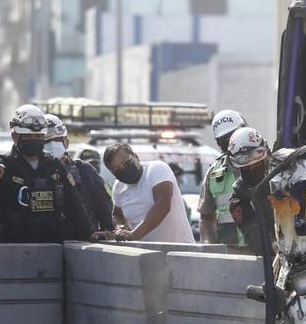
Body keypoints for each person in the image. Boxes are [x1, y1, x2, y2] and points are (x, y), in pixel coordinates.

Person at [0, 104, 94, 243]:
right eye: (29, 136)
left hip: (51, 248)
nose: (34, 139)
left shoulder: (54, 165)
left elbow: (74, 203)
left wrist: (89, 233)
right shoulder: (2, 167)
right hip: (12, 250)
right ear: (15, 136)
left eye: (38, 136)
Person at [106, 143, 194, 243]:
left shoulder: (156, 169)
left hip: (180, 249)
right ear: (112, 173)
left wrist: (135, 234)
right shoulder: (118, 187)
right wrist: (122, 227)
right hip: (146, 254)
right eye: (117, 169)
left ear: (135, 156)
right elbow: (117, 214)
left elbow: (162, 205)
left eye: (126, 162)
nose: (123, 168)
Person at [43, 114, 115, 233]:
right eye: (47, 141)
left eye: (56, 139)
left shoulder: (85, 171)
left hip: (83, 242)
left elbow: (105, 208)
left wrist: (107, 233)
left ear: (66, 142)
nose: (52, 144)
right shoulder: (33, 172)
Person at [198, 109, 246, 244]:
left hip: (265, 254)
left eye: (233, 137)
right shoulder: (213, 174)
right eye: (224, 141)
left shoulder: (266, 166)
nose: (231, 144)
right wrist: (209, 247)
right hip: (229, 255)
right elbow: (206, 218)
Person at [227, 127, 275, 256]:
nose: (253, 167)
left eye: (257, 163)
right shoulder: (239, 199)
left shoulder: (284, 175)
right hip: (276, 260)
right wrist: (275, 244)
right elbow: (257, 238)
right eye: (247, 167)